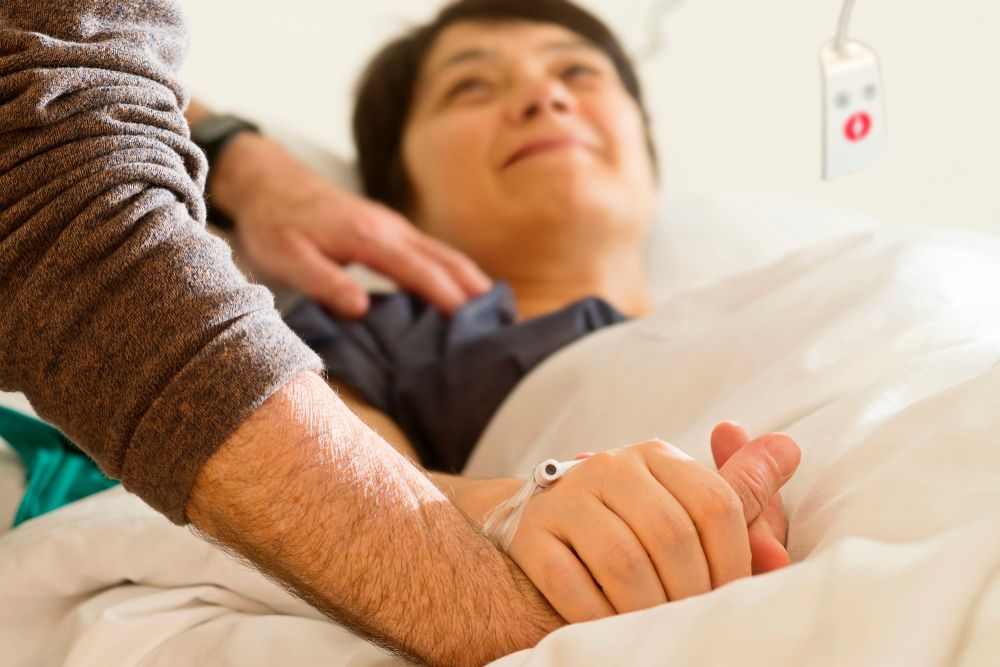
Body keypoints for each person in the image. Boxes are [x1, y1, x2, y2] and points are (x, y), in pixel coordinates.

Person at [0, 1, 796, 665]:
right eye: (471, 87)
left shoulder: (793, 297)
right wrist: (526, 507)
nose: (542, 98)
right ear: (398, 194)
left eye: (577, 73)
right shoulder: (380, 328)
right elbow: (360, 459)